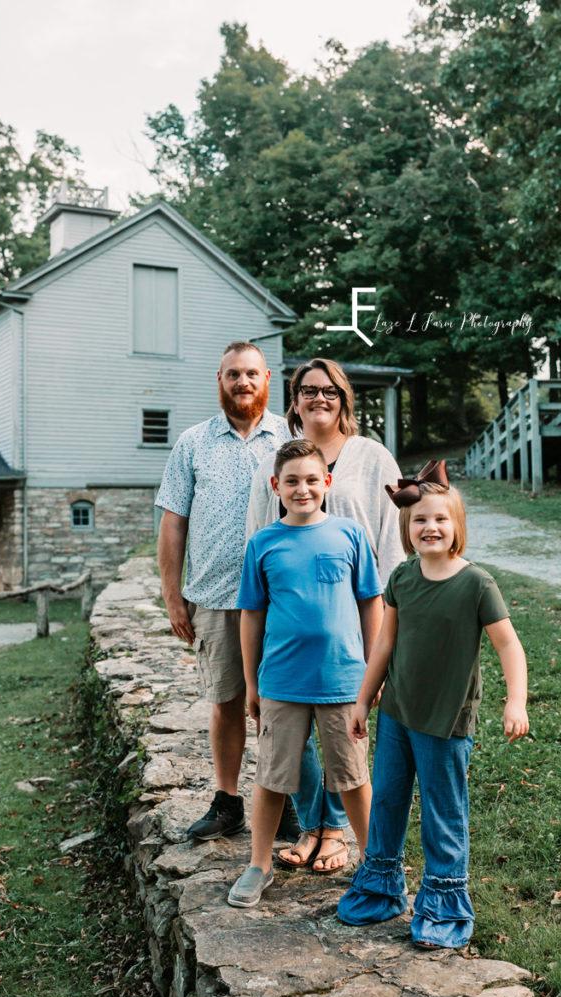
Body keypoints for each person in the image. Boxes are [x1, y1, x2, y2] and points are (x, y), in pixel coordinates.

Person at [338, 460, 529, 949]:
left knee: (443, 813)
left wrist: (516, 701)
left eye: (441, 519)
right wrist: (364, 700)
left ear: (457, 526)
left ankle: (443, 902)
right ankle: (381, 885)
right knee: (387, 803)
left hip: (445, 723)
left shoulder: (477, 584)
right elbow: (384, 644)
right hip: (398, 714)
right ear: (408, 527)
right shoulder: (402, 578)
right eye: (420, 519)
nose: (430, 527)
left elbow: (508, 645)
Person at [246, 357, 405, 873]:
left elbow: (392, 539)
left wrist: (380, 638)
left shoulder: (373, 457)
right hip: (291, 633)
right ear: (293, 400)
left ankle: (337, 832)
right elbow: (259, 541)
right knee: (292, 741)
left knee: (346, 745)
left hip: (356, 621)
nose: (319, 397)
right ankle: (313, 826)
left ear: (345, 398)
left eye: (330, 390)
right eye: (308, 389)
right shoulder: (277, 463)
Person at [227, 439, 384, 907]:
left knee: (353, 776)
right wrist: (252, 682)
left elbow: (369, 603)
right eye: (291, 481)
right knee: (273, 776)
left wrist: (372, 673)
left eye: (312, 479)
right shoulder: (264, 543)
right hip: (281, 681)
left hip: (342, 680)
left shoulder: (349, 535)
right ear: (276, 486)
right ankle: (258, 865)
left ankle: (376, 863)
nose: (302, 488)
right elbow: (251, 615)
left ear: (327, 483)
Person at [156, 341, 293, 842]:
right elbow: (173, 524)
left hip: (282, 597)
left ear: (267, 380)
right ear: (219, 379)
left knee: (283, 704)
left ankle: (287, 801)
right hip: (213, 596)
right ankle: (228, 801)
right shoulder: (192, 444)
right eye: (233, 374)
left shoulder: (289, 437)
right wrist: (174, 597)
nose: (243, 382)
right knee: (225, 701)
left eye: (252, 374)